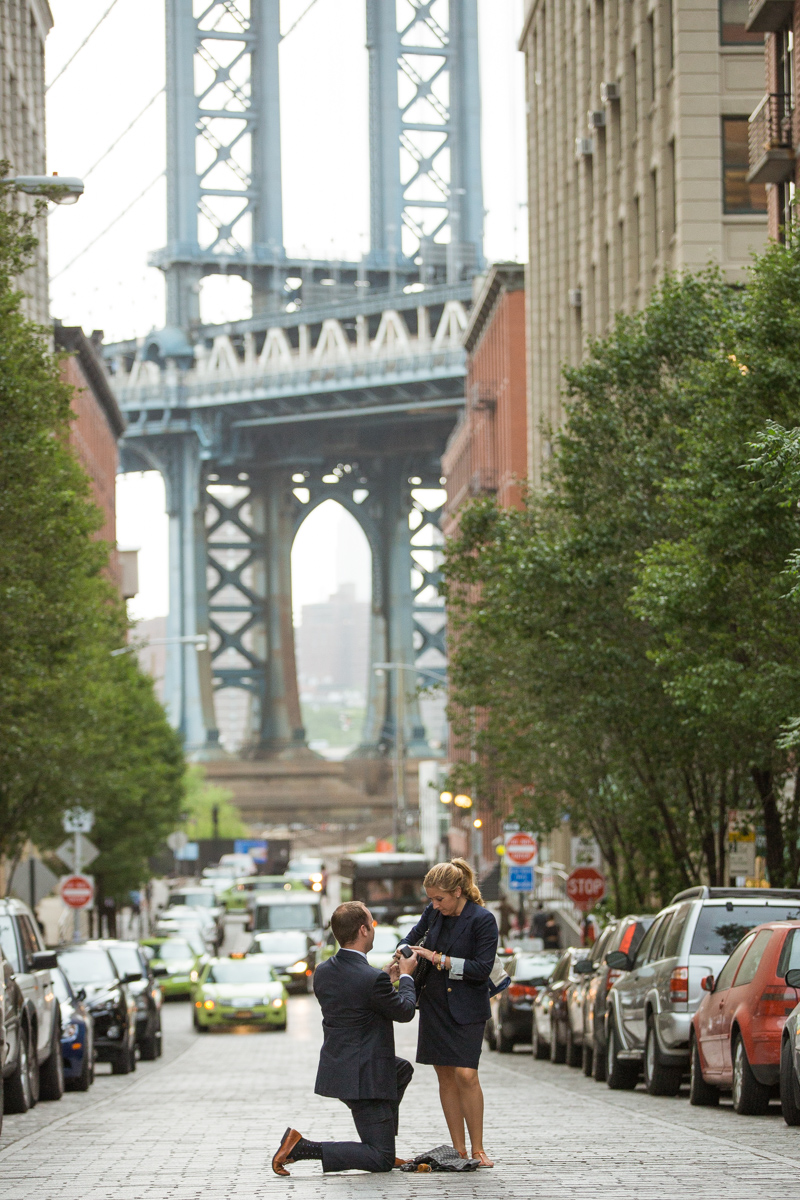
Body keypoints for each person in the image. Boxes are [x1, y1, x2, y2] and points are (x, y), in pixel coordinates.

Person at [271, 901, 418, 1177]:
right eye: (371, 924)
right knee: (381, 1159)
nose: (373, 928)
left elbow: (355, 998)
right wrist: (406, 977)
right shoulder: (371, 979)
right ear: (363, 930)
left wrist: (385, 979)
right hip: (365, 1076)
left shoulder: (324, 971)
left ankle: (381, 1138)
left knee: (401, 1070)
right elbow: (405, 1011)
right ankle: (301, 1147)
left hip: (340, 1066)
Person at [401, 858, 499, 1168]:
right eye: (430, 898)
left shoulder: (482, 920)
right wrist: (403, 954)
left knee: (466, 1074)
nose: (434, 904)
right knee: (444, 1075)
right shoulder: (433, 913)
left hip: (468, 1004)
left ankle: (478, 1147)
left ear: (457, 892)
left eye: (439, 898)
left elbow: (481, 969)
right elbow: (410, 938)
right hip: (434, 1003)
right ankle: (458, 1149)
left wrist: (437, 957)